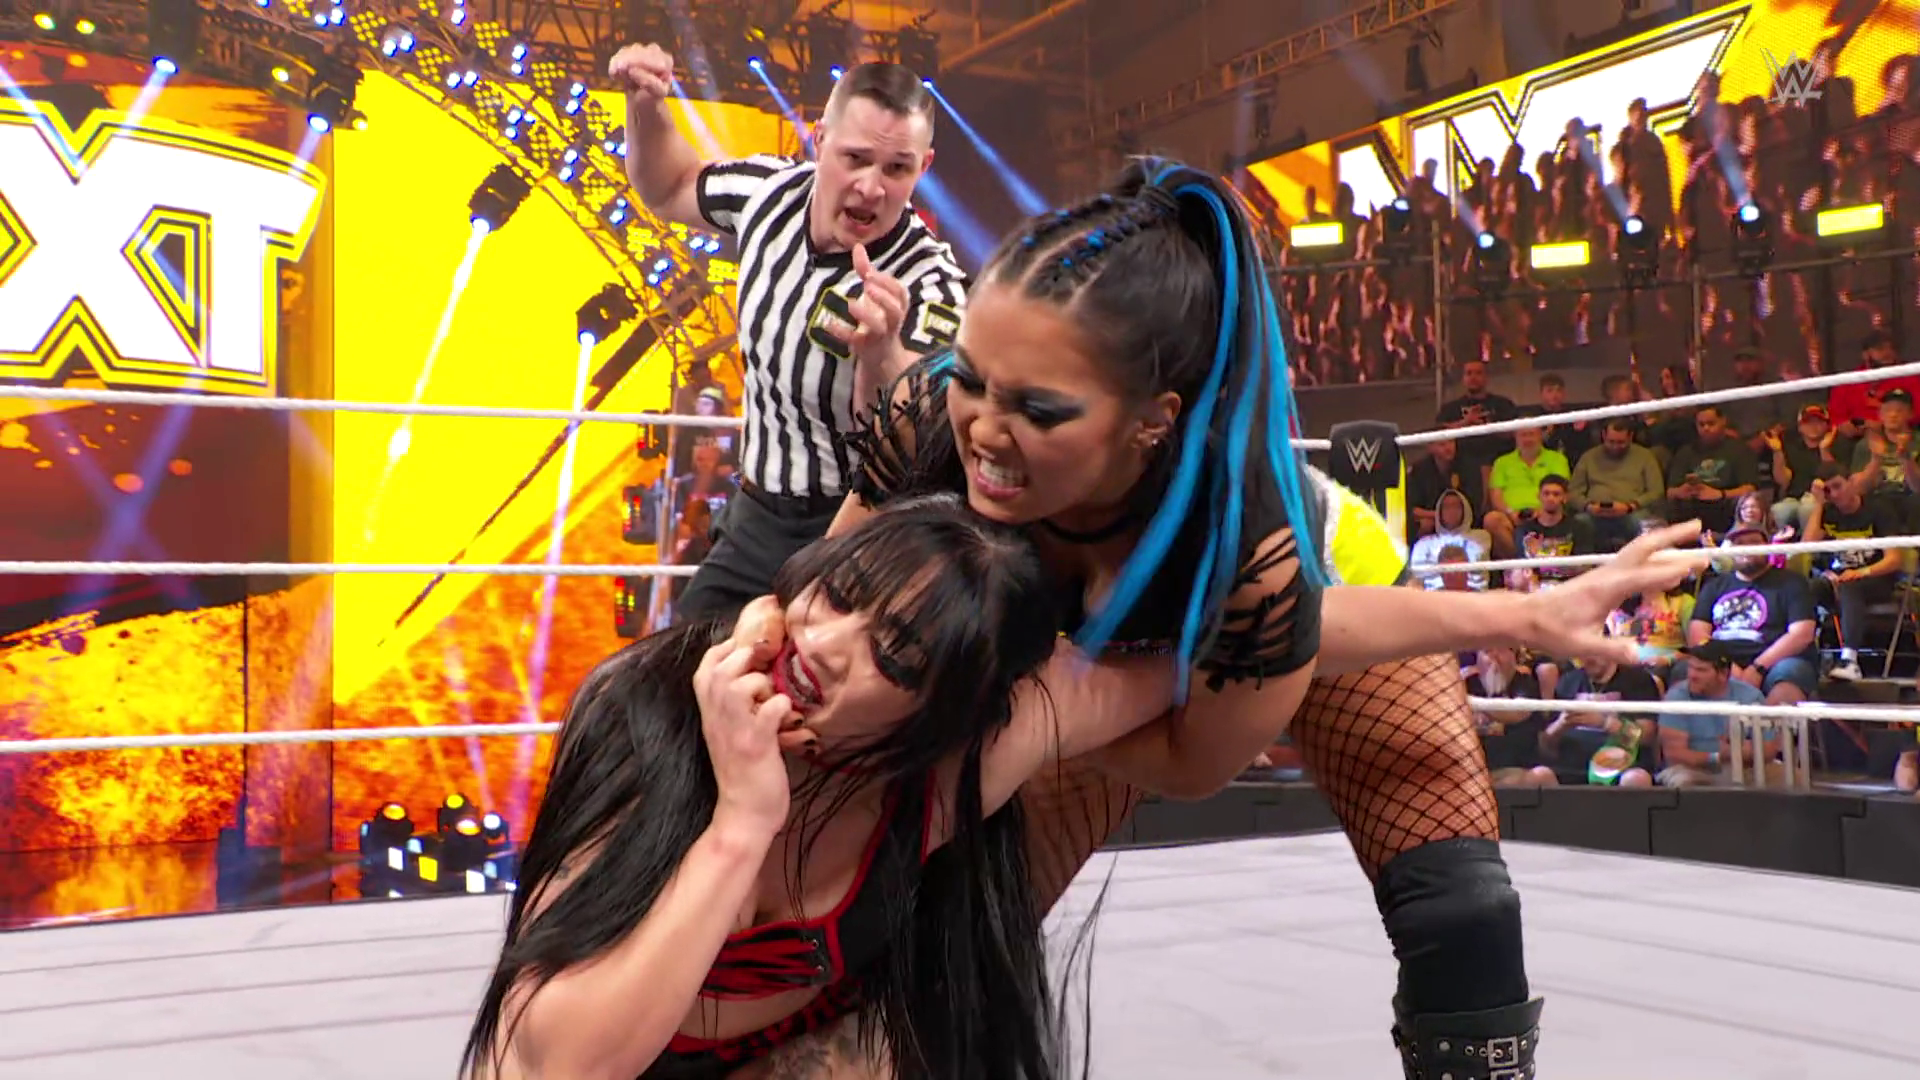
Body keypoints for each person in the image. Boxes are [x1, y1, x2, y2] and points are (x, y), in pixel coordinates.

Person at [823, 158, 1702, 1077]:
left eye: (1038, 408)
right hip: (1133, 654)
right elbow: (825, 595)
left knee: (1463, 907)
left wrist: (1046, 704)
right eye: (971, 377)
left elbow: (1192, 760)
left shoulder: (1251, 552)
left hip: (1300, 597)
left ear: (1152, 420)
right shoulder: (928, 417)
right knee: (957, 929)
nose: (984, 428)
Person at [461, 497, 1177, 1080]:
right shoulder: (649, 716)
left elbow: (1194, 671)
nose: (823, 646)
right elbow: (561, 1064)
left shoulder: (953, 769)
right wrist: (741, 823)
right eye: (837, 594)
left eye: (892, 653)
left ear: (942, 717)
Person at [611, 43, 968, 625]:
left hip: (857, 531)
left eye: (896, 169)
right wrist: (646, 106)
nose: (871, 187)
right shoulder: (768, 192)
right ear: (820, 140)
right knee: (681, 664)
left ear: (922, 168)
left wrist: (882, 355)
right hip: (755, 513)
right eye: (855, 158)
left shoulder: (932, 283)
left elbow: (920, 446)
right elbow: (669, 185)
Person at [1802, 468, 1905, 682]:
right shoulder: (1827, 512)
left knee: (1850, 585)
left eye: (1838, 486)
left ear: (1851, 482)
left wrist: (1859, 572)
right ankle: (1805, 655)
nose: (1834, 494)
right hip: (1837, 579)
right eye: (1828, 490)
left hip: (1876, 577)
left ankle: (1850, 661)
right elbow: (1806, 547)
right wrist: (1819, 504)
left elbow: (1894, 559)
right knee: (1806, 588)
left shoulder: (1878, 510)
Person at [1655, 640, 1771, 788]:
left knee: (1790, 778)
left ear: (1723, 674)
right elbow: (1675, 755)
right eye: (1690, 667)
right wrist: (1719, 756)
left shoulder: (1751, 696)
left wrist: (1738, 754)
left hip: (1745, 769)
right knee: (1683, 781)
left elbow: (1768, 750)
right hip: (1690, 770)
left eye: (1701, 670)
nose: (1692, 675)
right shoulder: (1676, 697)